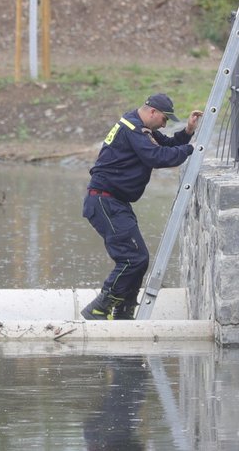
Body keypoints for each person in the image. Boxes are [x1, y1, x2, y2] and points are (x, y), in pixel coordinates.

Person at [81, 93, 203, 320]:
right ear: (152, 112)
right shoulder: (133, 129)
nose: (164, 124)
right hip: (104, 201)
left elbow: (165, 144)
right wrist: (191, 149)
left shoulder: (137, 126)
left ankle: (123, 310)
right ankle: (99, 307)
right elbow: (157, 157)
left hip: (113, 201)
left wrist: (187, 132)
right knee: (133, 258)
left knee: (138, 257)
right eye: (164, 119)